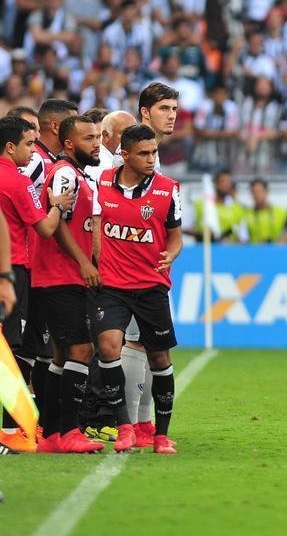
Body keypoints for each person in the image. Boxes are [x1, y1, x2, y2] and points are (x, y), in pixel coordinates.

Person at [92, 124, 183, 454]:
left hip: (150, 286)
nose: (150, 158)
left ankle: (161, 434)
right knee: (108, 345)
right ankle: (124, 426)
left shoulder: (168, 189)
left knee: (159, 357)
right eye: (143, 153)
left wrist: (170, 254)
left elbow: (175, 236)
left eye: (153, 152)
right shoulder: (101, 183)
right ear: (125, 154)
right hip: (113, 284)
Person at [29, 115, 105, 453]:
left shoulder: (77, 175)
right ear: (70, 143)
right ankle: (70, 431)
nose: (97, 143)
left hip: (62, 275)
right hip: (62, 276)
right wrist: (84, 262)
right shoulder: (64, 174)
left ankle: (52, 434)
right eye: (89, 138)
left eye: (99, 136)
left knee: (61, 354)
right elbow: (58, 225)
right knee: (81, 350)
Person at [0, 115, 76, 452]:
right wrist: (58, 206)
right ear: (10, 146)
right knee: (15, 351)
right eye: (29, 144)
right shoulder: (17, 182)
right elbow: (45, 228)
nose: (34, 152)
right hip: (14, 269)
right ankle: (10, 429)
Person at [243, 178, 287, 244]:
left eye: (259, 191)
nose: (256, 195)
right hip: (254, 252)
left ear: (267, 191)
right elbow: (242, 240)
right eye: (253, 192)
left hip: (276, 252)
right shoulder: (246, 215)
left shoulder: (281, 213)